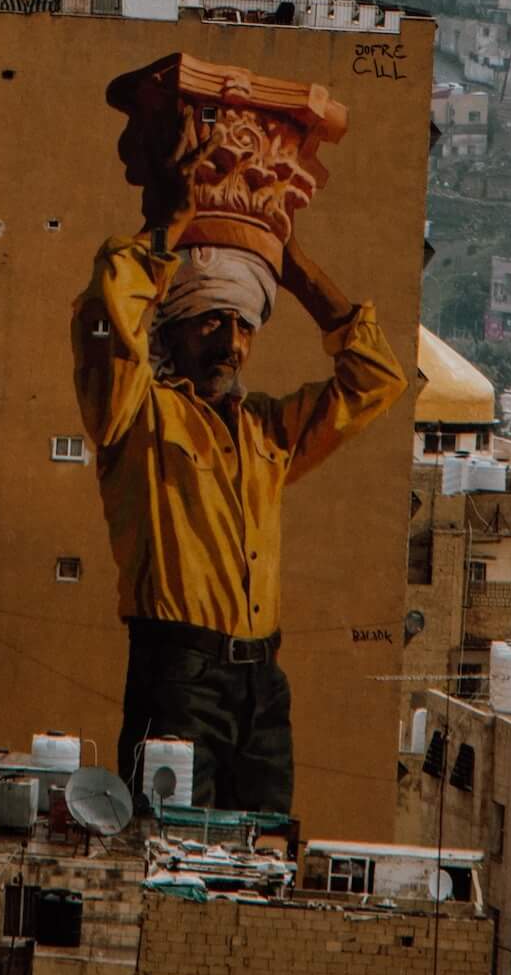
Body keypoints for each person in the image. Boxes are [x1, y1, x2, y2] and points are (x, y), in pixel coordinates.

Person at [70, 139, 405, 815]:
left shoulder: (266, 433)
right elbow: (108, 309)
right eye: (211, 323)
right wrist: (169, 224)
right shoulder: (138, 421)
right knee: (173, 843)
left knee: (267, 846)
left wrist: (287, 260)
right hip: (177, 674)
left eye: (244, 325)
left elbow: (375, 380)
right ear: (173, 331)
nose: (230, 343)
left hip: (262, 683)